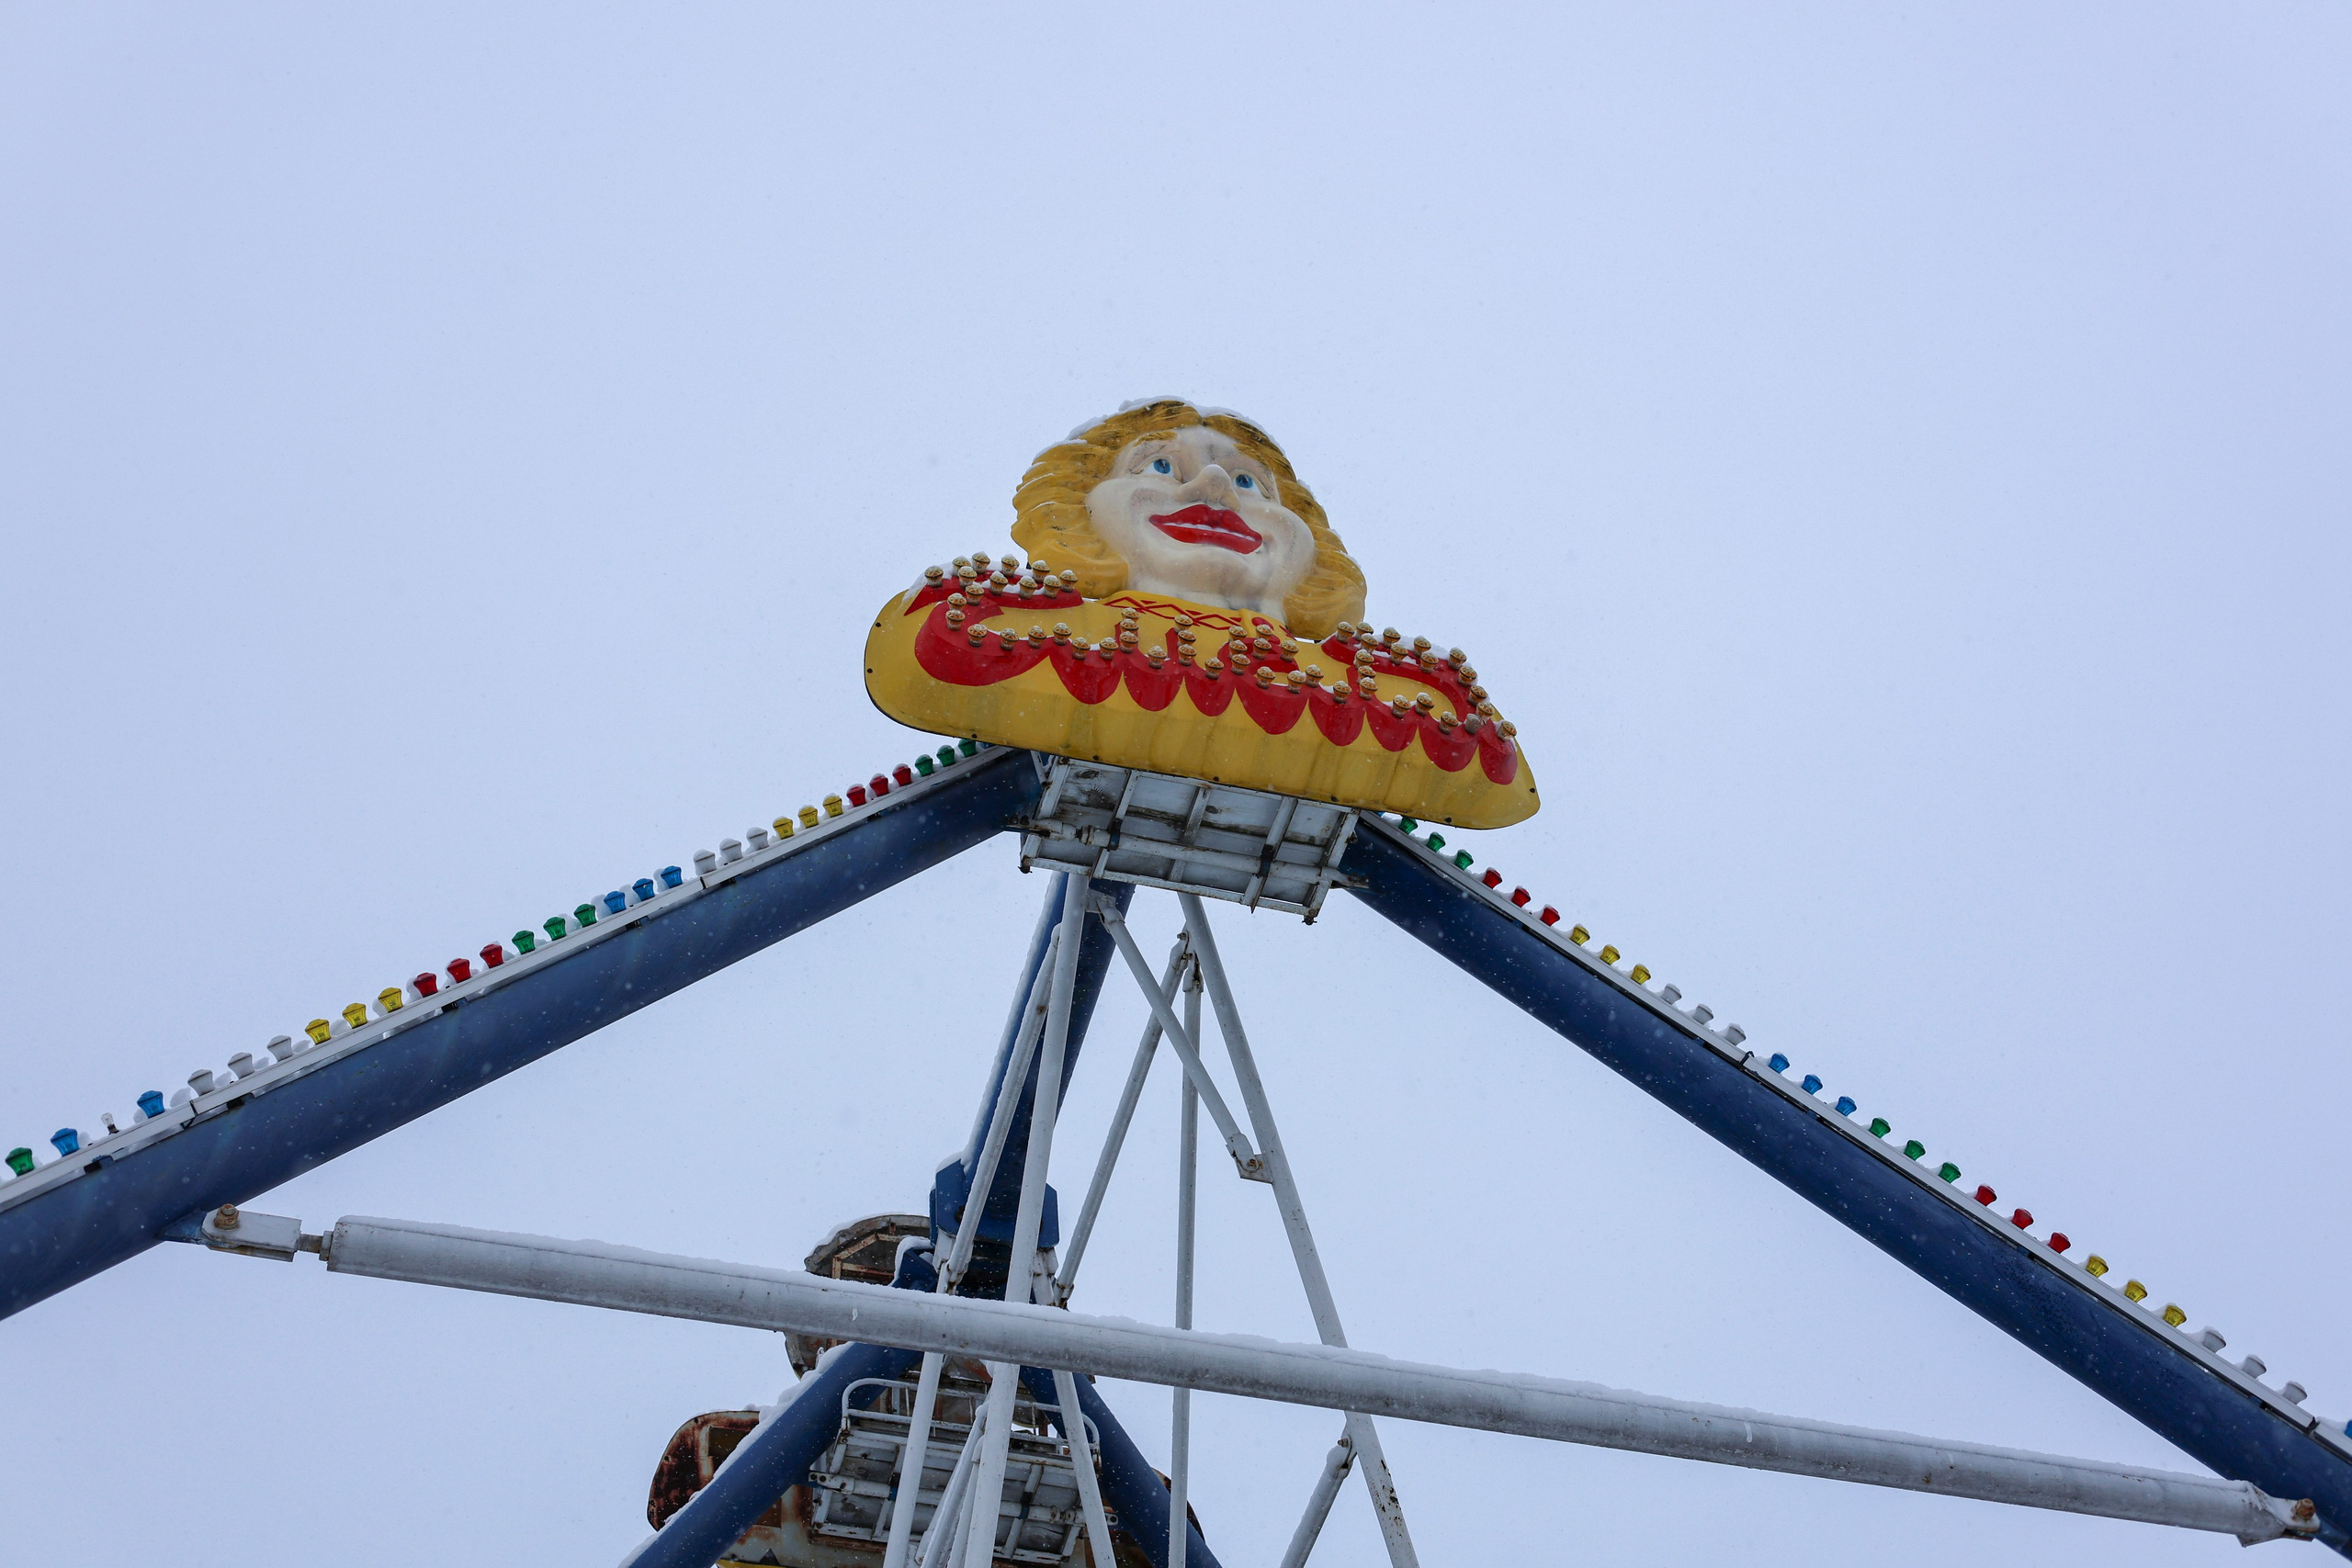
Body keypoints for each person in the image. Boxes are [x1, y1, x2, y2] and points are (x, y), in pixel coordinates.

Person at [1011, 399, 1368, 638]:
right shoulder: (1015, 633)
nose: (1215, 487)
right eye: (1159, 466)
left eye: (1248, 482)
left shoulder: (1383, 692)